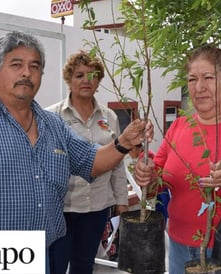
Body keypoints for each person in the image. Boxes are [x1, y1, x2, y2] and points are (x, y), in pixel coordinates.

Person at [0, 31, 152, 272]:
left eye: (35, 66)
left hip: (37, 258)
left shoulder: (53, 125)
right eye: (16, 64)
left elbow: (92, 161)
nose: (26, 72)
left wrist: (124, 142)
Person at [133, 44, 221, 273]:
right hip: (179, 248)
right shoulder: (180, 126)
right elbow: (155, 183)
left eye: (208, 77)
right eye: (192, 79)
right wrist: (145, 173)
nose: (199, 87)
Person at [46, 51, 129, 274]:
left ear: (99, 80)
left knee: (84, 266)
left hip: (97, 207)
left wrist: (122, 200)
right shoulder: (51, 116)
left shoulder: (109, 117)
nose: (86, 81)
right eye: (79, 75)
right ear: (69, 80)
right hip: (62, 208)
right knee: (55, 266)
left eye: (92, 75)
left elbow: (118, 161)